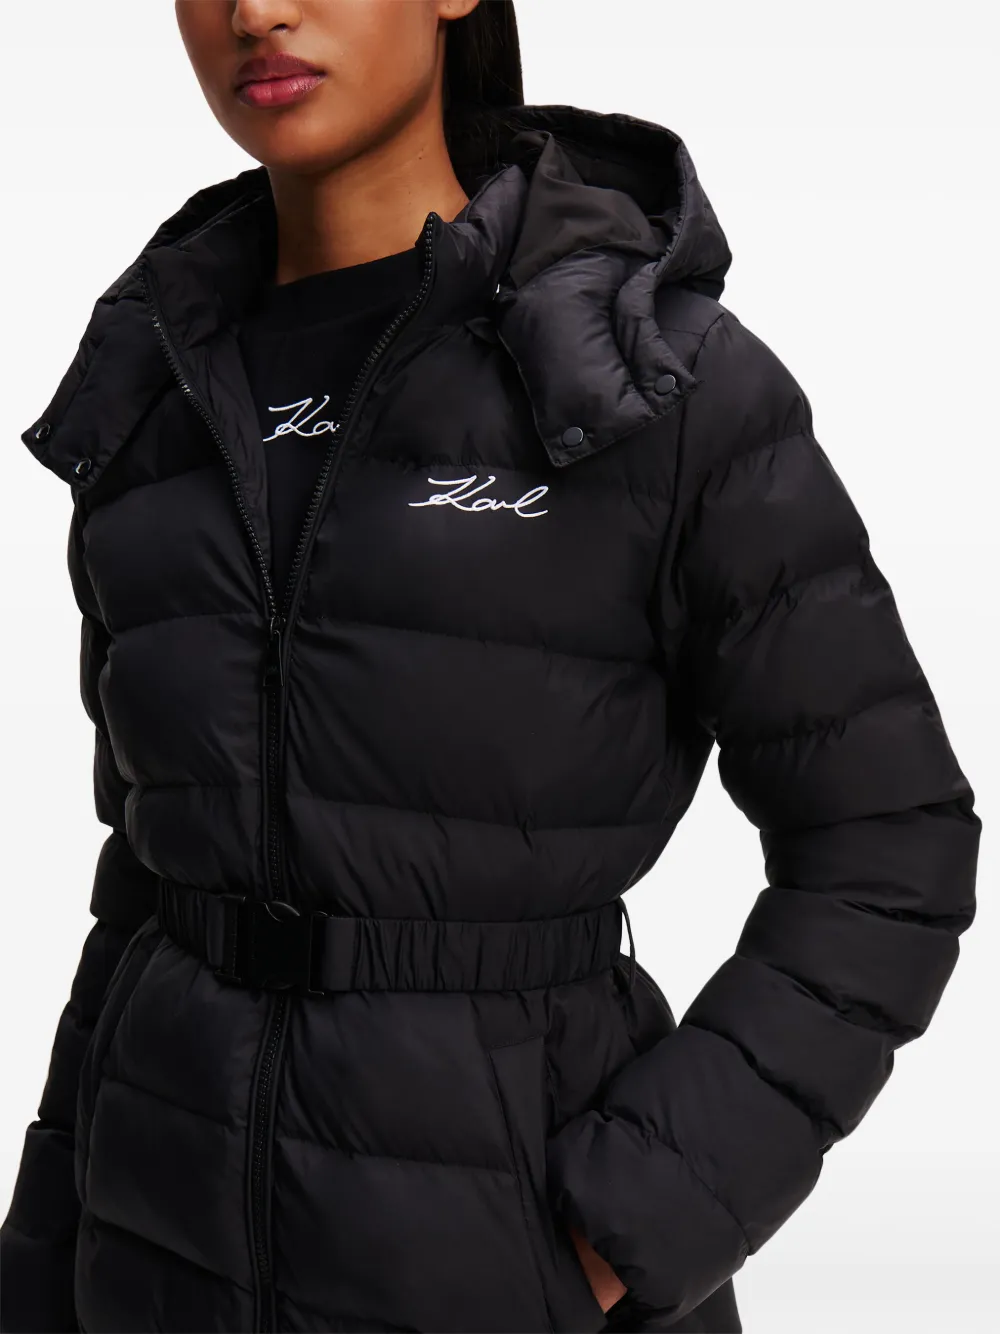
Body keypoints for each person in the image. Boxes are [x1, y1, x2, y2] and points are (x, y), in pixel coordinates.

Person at [0, 2, 982, 1332]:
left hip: (504, 1272)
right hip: (152, 1263)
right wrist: (43, 1254)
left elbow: (890, 840)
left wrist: (638, 1213)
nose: (256, 12)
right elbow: (146, 876)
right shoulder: (154, 386)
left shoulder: (649, 384)